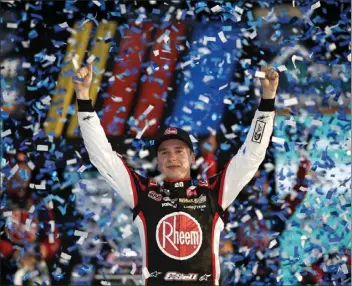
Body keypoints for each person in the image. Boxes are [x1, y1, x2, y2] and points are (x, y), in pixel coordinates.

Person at [72, 63, 278, 285]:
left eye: (179, 151)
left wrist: (268, 100)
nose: (172, 157)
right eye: (164, 152)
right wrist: (83, 98)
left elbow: (252, 156)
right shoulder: (143, 193)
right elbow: (102, 156)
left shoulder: (213, 192)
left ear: (191, 158)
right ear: (158, 162)